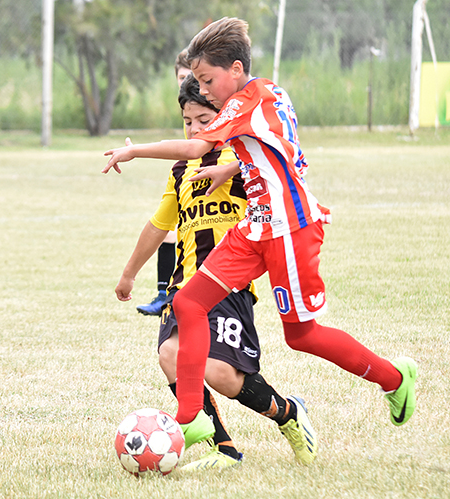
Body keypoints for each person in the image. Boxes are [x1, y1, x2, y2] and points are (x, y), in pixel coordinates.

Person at [103, 17, 417, 449]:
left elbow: (195, 147)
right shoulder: (271, 93)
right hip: (258, 225)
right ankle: (191, 417)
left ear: (235, 69)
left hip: (289, 227)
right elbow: (280, 151)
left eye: (208, 80)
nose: (205, 90)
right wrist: (234, 166)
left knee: (301, 335)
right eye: (198, 81)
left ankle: (394, 378)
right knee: (189, 302)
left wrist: (133, 149)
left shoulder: (242, 105)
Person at [115, 74, 317, 469]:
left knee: (221, 373)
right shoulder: (180, 172)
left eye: (204, 120)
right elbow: (159, 225)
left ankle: (288, 413)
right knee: (170, 355)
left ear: (223, 117)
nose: (194, 129)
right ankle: (221, 446)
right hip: (184, 284)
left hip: (229, 286)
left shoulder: (241, 159)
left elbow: (277, 177)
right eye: (188, 122)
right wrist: (129, 274)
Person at [135, 50, 193, 316]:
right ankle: (165, 294)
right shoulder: (187, 103)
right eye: (181, 77)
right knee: (168, 230)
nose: (185, 82)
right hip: (188, 171)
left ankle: (176, 294)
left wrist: (138, 150)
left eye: (190, 76)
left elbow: (191, 147)